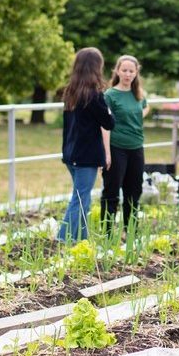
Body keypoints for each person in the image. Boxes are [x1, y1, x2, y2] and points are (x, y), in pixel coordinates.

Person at [58, 48, 115, 243]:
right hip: (87, 156)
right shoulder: (94, 95)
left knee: (83, 198)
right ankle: (63, 239)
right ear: (96, 67)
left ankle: (81, 240)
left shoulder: (70, 92)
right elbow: (109, 123)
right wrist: (108, 109)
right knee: (80, 199)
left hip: (71, 153)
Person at [101, 55, 150, 239]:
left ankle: (131, 233)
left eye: (131, 71)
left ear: (136, 72)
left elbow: (145, 108)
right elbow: (104, 125)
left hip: (136, 148)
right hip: (116, 148)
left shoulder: (138, 94)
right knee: (112, 192)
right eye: (124, 70)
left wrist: (134, 119)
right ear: (117, 71)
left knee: (134, 192)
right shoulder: (110, 95)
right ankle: (106, 235)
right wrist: (106, 153)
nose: (128, 74)